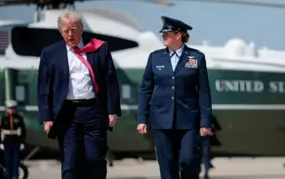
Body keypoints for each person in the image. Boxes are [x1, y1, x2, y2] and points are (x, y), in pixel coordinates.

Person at [37, 11, 122, 179]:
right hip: (67, 113)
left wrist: (112, 111)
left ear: (81, 29)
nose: (70, 34)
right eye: (66, 30)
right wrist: (47, 117)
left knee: (95, 159)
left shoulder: (99, 48)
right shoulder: (50, 53)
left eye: (73, 29)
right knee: (70, 162)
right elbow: (43, 88)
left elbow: (110, 81)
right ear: (60, 32)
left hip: (94, 112)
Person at [137, 16, 213, 179]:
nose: (163, 36)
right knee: (167, 166)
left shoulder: (196, 57)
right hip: (162, 120)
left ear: (178, 35)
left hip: (189, 120)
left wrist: (206, 121)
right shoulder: (155, 57)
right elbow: (145, 89)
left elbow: (204, 92)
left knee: (189, 160)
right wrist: (142, 118)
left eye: (167, 33)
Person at [0, 100, 26, 179]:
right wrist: (0, 142)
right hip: (6, 142)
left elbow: (23, 130)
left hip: (16, 142)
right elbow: (0, 130)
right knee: (7, 162)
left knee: (16, 162)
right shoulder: (4, 118)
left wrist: (22, 142)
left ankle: (15, 177)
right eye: (10, 108)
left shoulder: (19, 118)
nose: (11, 110)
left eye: (13, 108)